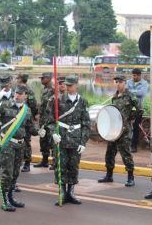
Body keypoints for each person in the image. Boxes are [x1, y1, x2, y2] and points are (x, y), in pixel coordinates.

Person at [45, 75, 90, 205]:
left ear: (77, 85)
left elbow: (86, 123)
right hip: (61, 138)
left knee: (73, 166)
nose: (68, 87)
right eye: (67, 85)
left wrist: (83, 142)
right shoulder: (56, 100)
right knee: (60, 166)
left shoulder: (82, 101)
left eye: (71, 85)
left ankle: (71, 192)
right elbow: (50, 121)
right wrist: (53, 133)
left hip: (76, 139)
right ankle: (62, 192)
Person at [0, 85, 38, 211]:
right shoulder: (4, 105)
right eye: (16, 93)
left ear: (25, 96)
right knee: (7, 172)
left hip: (20, 144)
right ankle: (5, 199)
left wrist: (41, 131)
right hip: (7, 143)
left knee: (16, 172)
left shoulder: (27, 110)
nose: (17, 95)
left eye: (20, 94)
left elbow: (31, 129)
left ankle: (11, 197)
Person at [98, 75, 142, 187]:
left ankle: (130, 177)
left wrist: (130, 117)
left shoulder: (130, 96)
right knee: (109, 154)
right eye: (116, 82)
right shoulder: (115, 97)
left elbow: (140, 109)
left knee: (125, 154)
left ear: (125, 83)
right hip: (114, 130)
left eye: (120, 82)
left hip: (125, 130)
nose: (118, 84)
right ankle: (109, 175)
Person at [16, 74, 38, 173]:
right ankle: (20, 161)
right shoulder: (17, 89)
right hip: (17, 119)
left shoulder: (28, 91)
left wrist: (32, 116)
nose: (16, 80)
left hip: (26, 118)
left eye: (17, 78)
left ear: (21, 79)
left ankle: (27, 163)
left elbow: (33, 106)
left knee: (26, 141)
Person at [34, 72, 54, 168]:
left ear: (49, 78)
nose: (41, 80)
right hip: (43, 120)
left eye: (43, 78)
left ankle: (55, 162)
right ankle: (44, 160)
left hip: (50, 120)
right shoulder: (44, 89)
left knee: (52, 140)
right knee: (43, 140)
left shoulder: (54, 89)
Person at [126, 68, 148, 153]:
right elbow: (125, 91)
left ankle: (133, 146)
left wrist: (130, 91)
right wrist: (135, 92)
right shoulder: (129, 82)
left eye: (135, 75)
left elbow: (142, 93)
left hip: (139, 108)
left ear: (139, 75)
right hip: (128, 108)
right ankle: (126, 144)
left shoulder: (144, 83)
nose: (133, 77)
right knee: (126, 126)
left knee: (135, 127)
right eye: (133, 75)